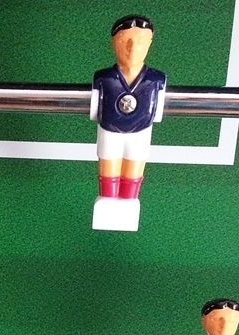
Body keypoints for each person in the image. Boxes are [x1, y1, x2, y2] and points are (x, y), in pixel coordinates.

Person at [90, 15, 166, 231]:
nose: (133, 48)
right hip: (110, 130)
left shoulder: (156, 79)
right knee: (109, 168)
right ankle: (107, 201)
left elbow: (158, 110)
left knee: (134, 168)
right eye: (125, 41)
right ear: (114, 43)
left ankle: (128, 202)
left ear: (150, 43)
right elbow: (95, 107)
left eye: (141, 41)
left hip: (141, 132)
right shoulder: (104, 78)